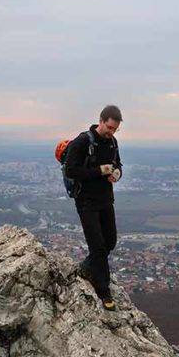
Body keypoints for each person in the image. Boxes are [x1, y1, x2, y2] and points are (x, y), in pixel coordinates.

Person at [63, 105, 124, 311]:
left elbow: (119, 165)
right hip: (86, 202)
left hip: (106, 200)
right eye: (109, 127)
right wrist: (98, 171)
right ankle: (103, 291)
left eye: (115, 129)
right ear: (101, 121)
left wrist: (116, 174)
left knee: (110, 241)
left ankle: (87, 268)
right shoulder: (82, 141)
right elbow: (71, 170)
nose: (111, 132)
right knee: (97, 247)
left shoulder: (113, 143)